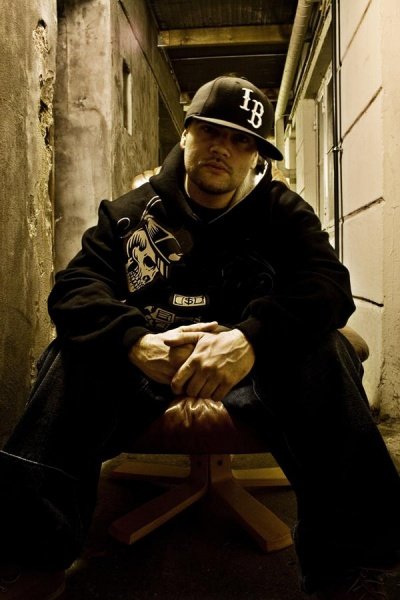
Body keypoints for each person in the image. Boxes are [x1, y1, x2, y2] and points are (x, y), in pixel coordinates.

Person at [1, 75, 399, 600]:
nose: (222, 149)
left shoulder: (282, 212)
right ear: (186, 133)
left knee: (326, 349)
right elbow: (74, 289)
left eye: (242, 141)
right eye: (211, 131)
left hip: (254, 371)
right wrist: (136, 342)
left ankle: (348, 566)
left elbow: (328, 287)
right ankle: (32, 557)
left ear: (256, 156)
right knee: (70, 353)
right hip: (149, 370)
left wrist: (251, 340)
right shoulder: (127, 214)